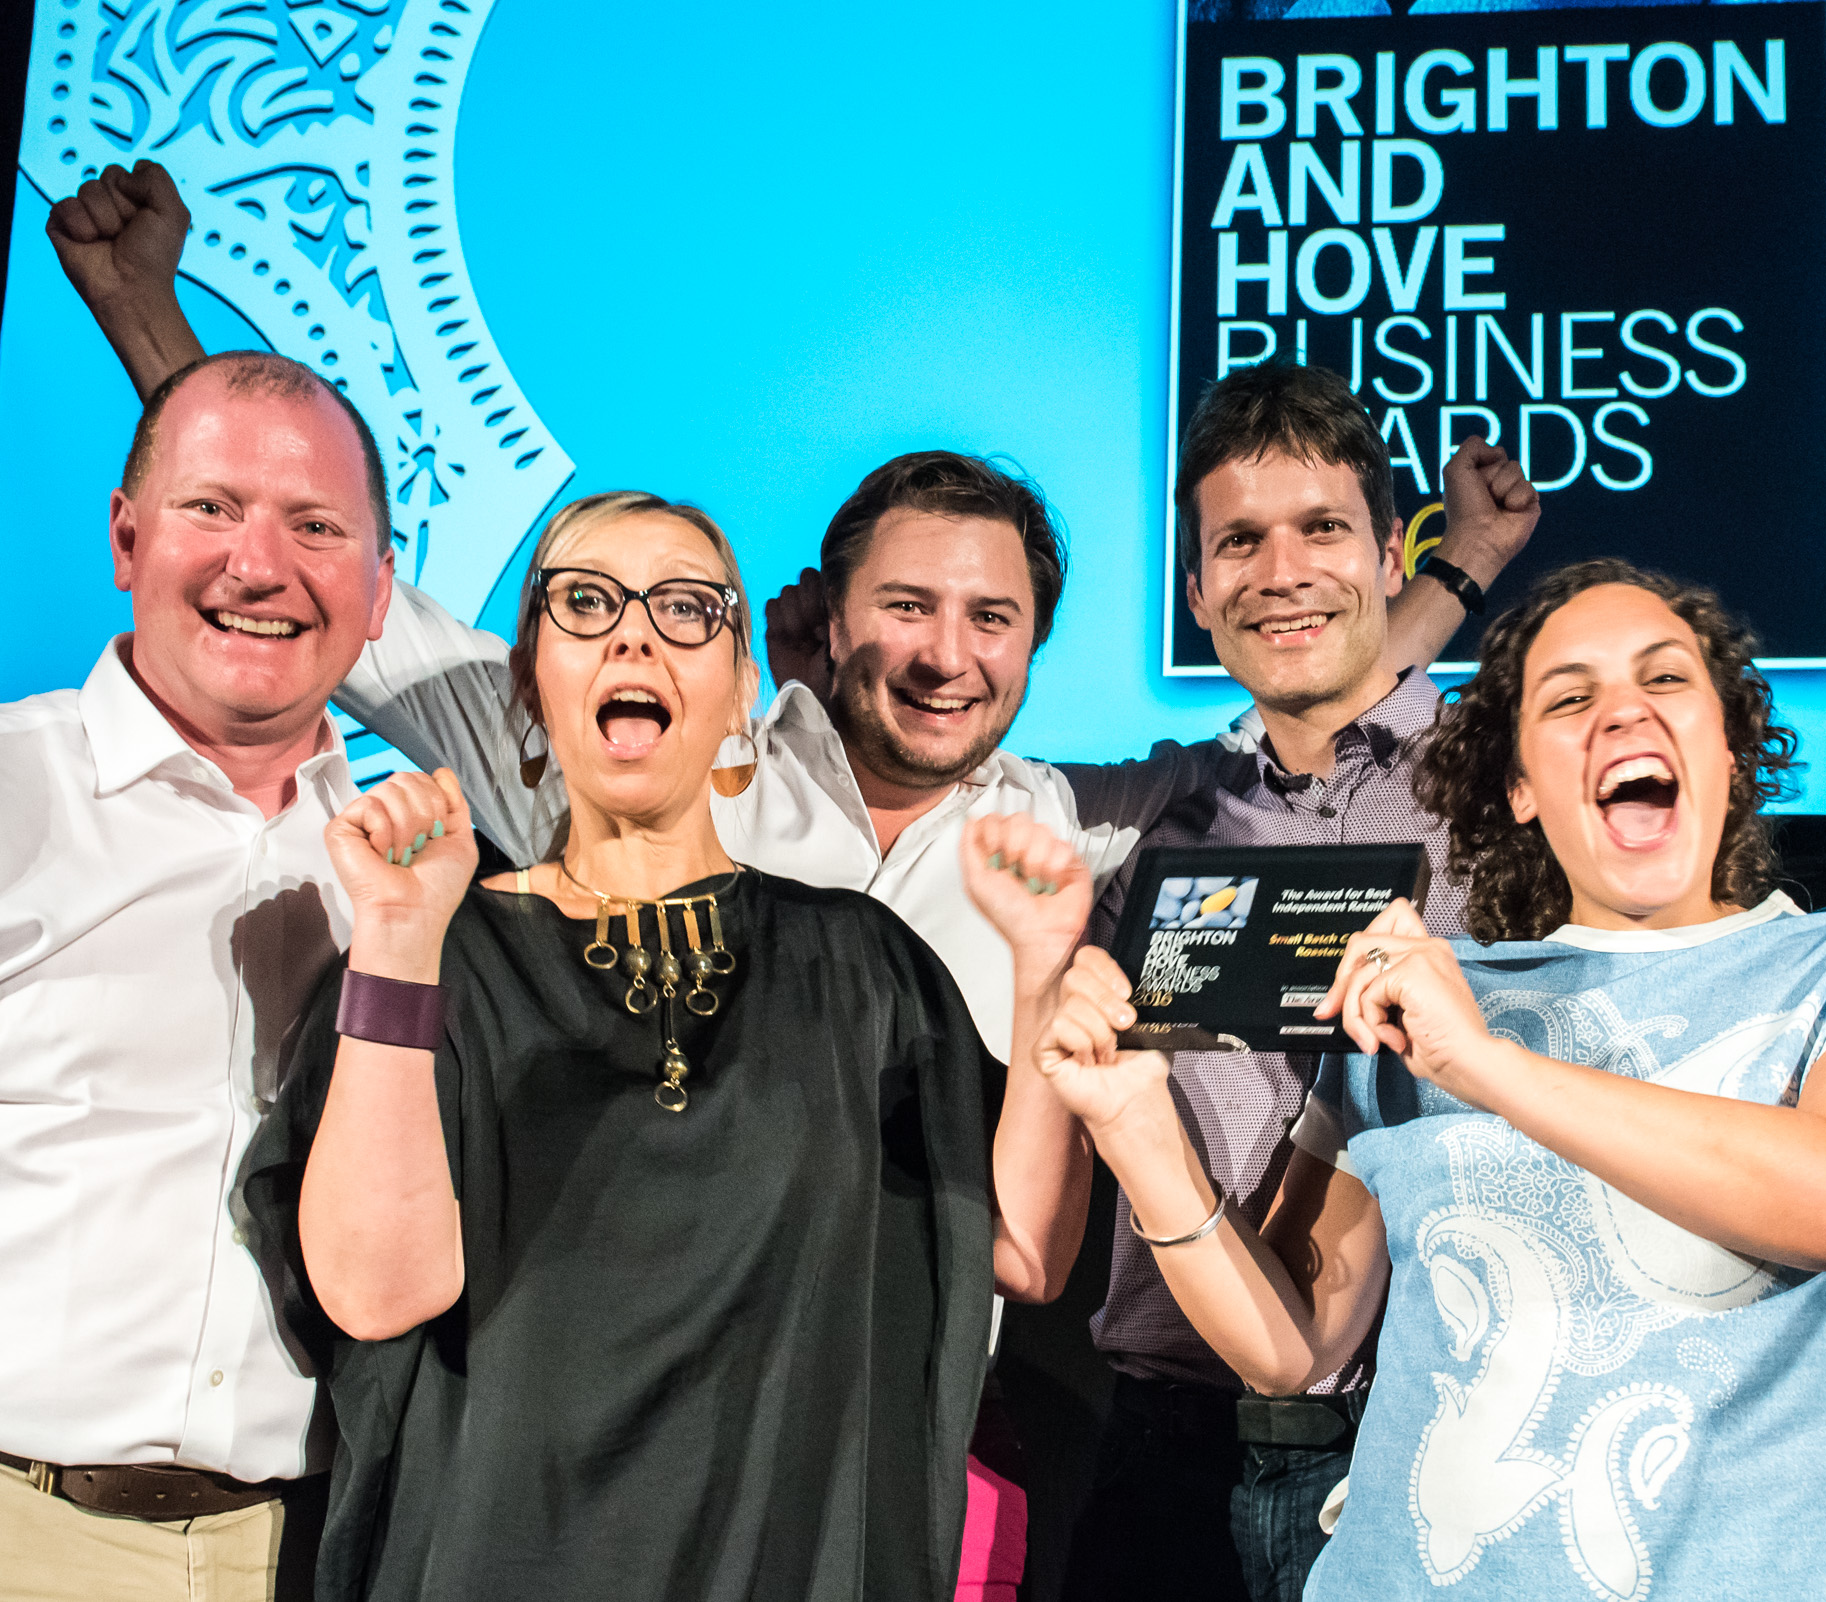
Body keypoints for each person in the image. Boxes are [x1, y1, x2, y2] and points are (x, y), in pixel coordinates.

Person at [44, 161, 1519, 1062]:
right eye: (907, 607)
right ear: (822, 612)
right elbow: (350, 605)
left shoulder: (1077, 824)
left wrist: (1451, 574)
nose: (947, 656)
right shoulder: (649, 758)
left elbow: (1314, 674)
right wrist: (144, 317)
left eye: (992, 618)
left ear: (1034, 642)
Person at [1013, 557, 1826, 1599]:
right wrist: (1137, 1128)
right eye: (1570, 699)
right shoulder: (1432, 994)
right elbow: (1289, 1351)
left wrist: (1486, 1066)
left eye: (1665, 680)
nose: (1623, 713)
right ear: (1521, 787)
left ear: (1729, 746)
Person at [237, 489, 1097, 1600]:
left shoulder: (864, 964)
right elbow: (375, 1295)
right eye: (588, 603)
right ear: (530, 681)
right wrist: (400, 938)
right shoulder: (436, 955)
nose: (634, 637)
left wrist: (1043, 976)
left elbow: (1024, 1252)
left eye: (686, 609)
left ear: (744, 690)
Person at [1044, 360, 1537, 1602]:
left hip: (1439, 1440)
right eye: (1240, 542)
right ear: (1196, 589)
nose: (1281, 571)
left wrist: (1471, 563)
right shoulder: (1153, 815)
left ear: (1387, 553)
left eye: (1321, 529)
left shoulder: (1515, 793)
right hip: (1168, 1452)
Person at [0, 350, 396, 1599]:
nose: (259, 566)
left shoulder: (409, 877)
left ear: (381, 593)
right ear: (127, 539)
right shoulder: (13, 791)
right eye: (213, 507)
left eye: (315, 527)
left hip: (307, 1551)